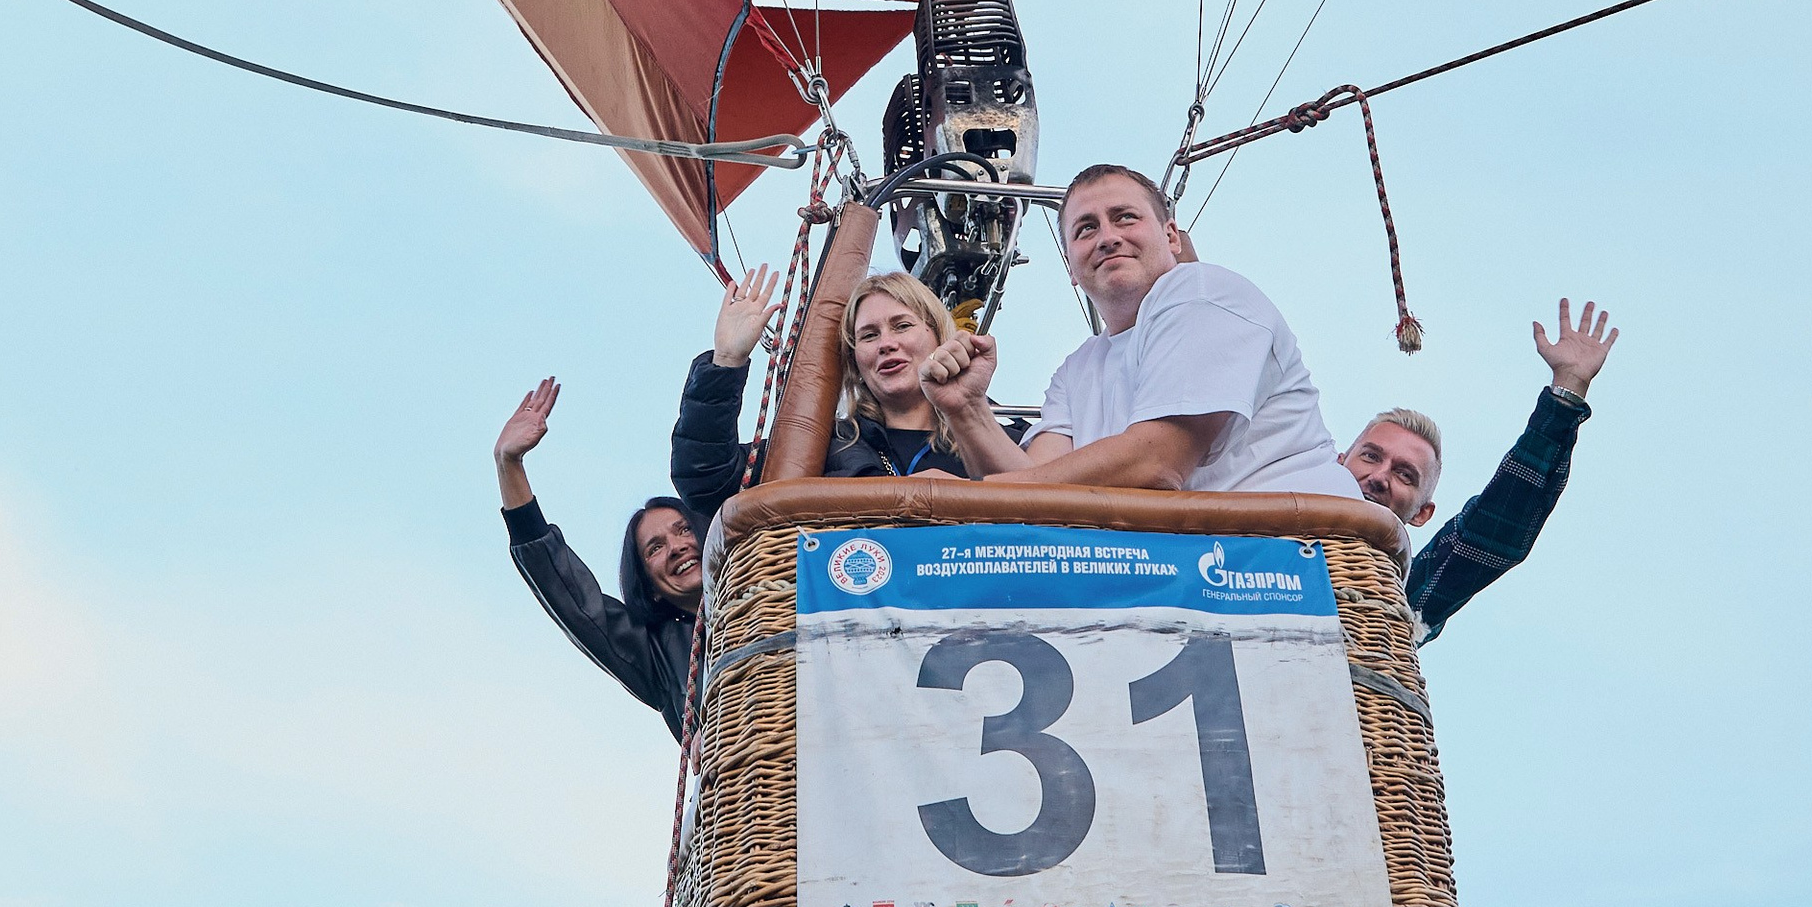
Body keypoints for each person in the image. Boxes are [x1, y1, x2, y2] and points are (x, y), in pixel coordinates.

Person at [919, 160, 1361, 499]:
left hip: (1306, 563)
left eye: (1125, 217)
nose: (1107, 237)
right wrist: (966, 409)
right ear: (1071, 268)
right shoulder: (1078, 368)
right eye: (1086, 229)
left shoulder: (1201, 293)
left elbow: (1157, 463)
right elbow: (1030, 480)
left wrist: (971, 496)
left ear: (1171, 238)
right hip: (1196, 574)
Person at [1343, 300, 1619, 642]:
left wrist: (1565, 396)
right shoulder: (1266, 515)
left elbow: (1497, 525)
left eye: (1405, 475)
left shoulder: (1403, 596)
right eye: (1371, 456)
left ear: (1422, 513)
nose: (1380, 477)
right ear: (1338, 461)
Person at [671, 264, 978, 524]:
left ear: (938, 336)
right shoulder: (823, 447)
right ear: (855, 362)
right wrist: (726, 362)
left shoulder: (990, 438)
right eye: (869, 335)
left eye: (902, 326)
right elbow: (706, 480)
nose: (886, 343)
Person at [492, 375, 704, 737]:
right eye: (655, 548)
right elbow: (573, 598)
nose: (676, 547)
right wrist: (508, 464)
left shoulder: (777, 580)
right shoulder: (657, 656)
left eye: (683, 529)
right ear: (649, 587)